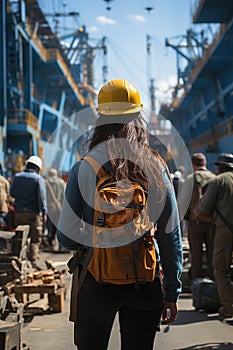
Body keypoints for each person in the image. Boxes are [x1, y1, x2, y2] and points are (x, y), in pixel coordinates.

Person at [57, 79, 183, 350]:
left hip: (95, 279)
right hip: (144, 280)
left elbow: (65, 237)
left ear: (100, 120)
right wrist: (172, 292)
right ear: (139, 118)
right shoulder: (156, 167)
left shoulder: (84, 167)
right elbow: (170, 235)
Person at [198, 153, 233, 317]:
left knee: (220, 269)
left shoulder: (218, 181)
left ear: (219, 167)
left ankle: (228, 307)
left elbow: (203, 210)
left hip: (224, 230)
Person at [10, 156, 47, 269]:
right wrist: (44, 212)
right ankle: (33, 263)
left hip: (19, 213)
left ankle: (18, 261)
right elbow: (42, 197)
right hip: (33, 214)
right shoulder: (38, 179)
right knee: (35, 239)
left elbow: (12, 193)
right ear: (37, 168)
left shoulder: (17, 177)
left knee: (20, 237)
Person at [183, 153, 215, 280]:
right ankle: (214, 285)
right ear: (205, 163)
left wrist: (190, 218)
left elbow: (184, 202)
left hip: (195, 223)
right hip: (212, 222)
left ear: (193, 164)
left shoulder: (190, 179)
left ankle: (196, 286)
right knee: (212, 254)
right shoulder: (215, 178)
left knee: (196, 255)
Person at [45, 168, 66, 249]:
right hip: (59, 208)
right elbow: (65, 197)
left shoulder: (45, 182)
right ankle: (61, 247)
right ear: (56, 174)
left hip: (49, 209)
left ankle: (51, 244)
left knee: (50, 227)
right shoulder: (61, 182)